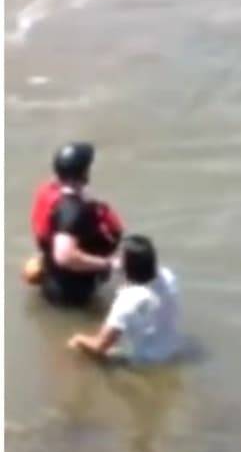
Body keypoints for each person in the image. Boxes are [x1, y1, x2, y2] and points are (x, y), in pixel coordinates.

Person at [29, 142, 125, 308]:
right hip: (73, 292)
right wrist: (109, 264)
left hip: (53, 276)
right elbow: (65, 257)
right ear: (84, 172)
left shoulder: (50, 190)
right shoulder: (72, 210)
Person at [68, 234, 181, 365]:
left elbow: (99, 346)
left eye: (118, 257)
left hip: (145, 361)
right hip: (171, 349)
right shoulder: (168, 276)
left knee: (76, 346)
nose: (114, 259)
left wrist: (79, 339)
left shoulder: (127, 300)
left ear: (127, 266)